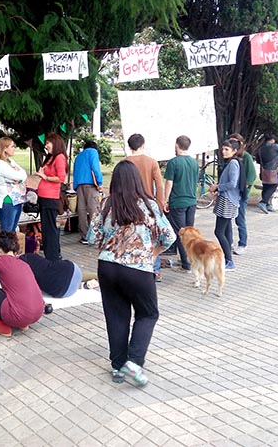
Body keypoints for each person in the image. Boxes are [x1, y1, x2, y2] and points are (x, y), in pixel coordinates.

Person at [88, 161, 175, 388]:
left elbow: (92, 238)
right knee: (147, 314)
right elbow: (169, 237)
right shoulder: (149, 205)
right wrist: (152, 254)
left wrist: (111, 248)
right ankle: (134, 363)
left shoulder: (106, 204)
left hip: (107, 267)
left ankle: (118, 366)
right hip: (138, 269)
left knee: (116, 316)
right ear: (137, 179)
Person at [124, 133, 165, 281]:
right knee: (152, 237)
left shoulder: (125, 162)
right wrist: (160, 204)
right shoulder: (152, 162)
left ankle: (133, 266)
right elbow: (159, 185)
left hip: (129, 205)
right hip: (148, 204)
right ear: (143, 145)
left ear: (129, 146)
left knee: (131, 235)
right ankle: (155, 269)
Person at [163, 135, 199, 273]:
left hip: (178, 202)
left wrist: (165, 200)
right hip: (192, 201)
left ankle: (186, 264)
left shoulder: (173, 162)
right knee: (190, 233)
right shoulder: (194, 163)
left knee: (180, 233)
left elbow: (169, 183)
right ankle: (190, 259)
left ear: (177, 145)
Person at [209, 140, 244, 270]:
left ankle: (229, 260)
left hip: (228, 201)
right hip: (227, 199)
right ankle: (227, 258)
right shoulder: (232, 162)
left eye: (227, 150)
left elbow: (232, 183)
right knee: (227, 230)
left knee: (219, 231)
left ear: (234, 151)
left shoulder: (233, 163)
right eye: (223, 149)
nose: (223, 152)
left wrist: (217, 187)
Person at [34, 133, 67, 261]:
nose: (46, 145)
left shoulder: (59, 157)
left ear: (55, 143)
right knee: (46, 227)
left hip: (50, 197)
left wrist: (46, 177)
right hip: (43, 196)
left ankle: (53, 255)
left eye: (48, 143)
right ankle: (50, 252)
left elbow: (61, 178)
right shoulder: (50, 157)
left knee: (50, 228)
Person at [228, 133, 256, 255]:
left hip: (240, 194)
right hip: (230, 194)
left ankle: (242, 243)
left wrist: (244, 188)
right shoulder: (230, 158)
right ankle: (228, 242)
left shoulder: (246, 157)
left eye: (236, 142)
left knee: (240, 219)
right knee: (227, 219)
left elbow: (251, 176)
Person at [0, 137, 28, 231]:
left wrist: (20, 178)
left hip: (17, 199)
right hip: (7, 200)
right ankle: (4, 246)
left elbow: (24, 174)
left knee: (13, 230)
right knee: (7, 230)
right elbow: (18, 176)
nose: (14, 149)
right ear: (4, 148)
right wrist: (19, 177)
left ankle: (10, 245)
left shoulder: (10, 161)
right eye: (12, 146)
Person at [19, 252, 93, 298]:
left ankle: (81, 285)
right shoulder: (29, 257)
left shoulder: (22, 266)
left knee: (58, 276)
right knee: (60, 273)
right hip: (73, 270)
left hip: (62, 291)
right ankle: (96, 276)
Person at [72, 140, 103, 245]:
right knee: (94, 210)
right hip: (91, 186)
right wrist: (100, 182)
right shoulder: (93, 152)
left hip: (79, 186)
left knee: (81, 211)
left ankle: (84, 236)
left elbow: (75, 172)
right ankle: (94, 236)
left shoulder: (78, 156)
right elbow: (95, 168)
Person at [257, 131, 278, 214]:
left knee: (265, 187)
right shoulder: (273, 147)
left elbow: (258, 160)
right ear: (272, 140)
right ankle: (263, 202)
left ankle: (267, 204)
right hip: (272, 170)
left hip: (263, 170)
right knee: (273, 185)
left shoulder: (260, 148)